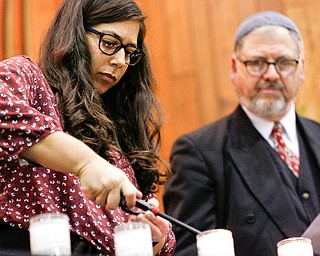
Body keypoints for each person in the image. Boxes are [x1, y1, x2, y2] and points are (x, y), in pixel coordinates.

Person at [0, 0, 175, 255]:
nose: (120, 61)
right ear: (74, 34)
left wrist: (153, 238)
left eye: (129, 52)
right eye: (109, 43)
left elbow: (158, 240)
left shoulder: (119, 134)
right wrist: (86, 162)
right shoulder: (29, 78)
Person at [164, 10, 320, 256]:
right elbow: (188, 251)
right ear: (235, 68)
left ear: (301, 70)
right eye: (256, 63)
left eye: (284, 62)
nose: (271, 74)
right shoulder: (199, 152)